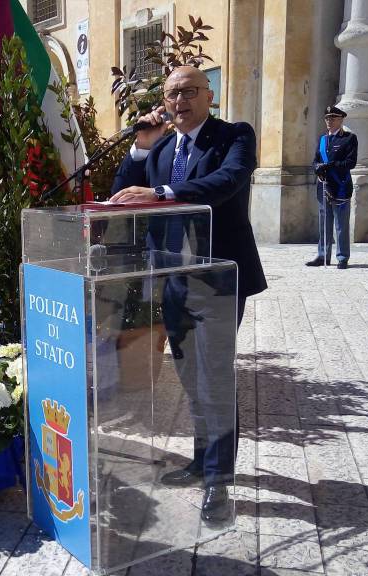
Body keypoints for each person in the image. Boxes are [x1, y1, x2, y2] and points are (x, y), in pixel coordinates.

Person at [110, 65, 267, 522]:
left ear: (209, 95)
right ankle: (203, 461)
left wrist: (161, 192)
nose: (180, 101)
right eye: (173, 94)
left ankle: (219, 482)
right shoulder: (159, 150)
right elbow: (122, 195)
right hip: (174, 278)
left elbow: (226, 182)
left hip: (218, 279)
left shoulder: (233, 136)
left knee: (214, 377)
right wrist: (140, 147)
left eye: (190, 92)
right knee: (190, 376)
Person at [306, 105, 358, 269]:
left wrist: (329, 165)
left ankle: (342, 257)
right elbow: (315, 160)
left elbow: (350, 163)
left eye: (333, 118)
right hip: (323, 187)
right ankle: (323, 256)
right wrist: (316, 168)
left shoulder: (349, 138)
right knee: (324, 223)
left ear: (341, 120)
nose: (329, 121)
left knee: (341, 225)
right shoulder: (323, 140)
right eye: (327, 118)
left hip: (340, 187)